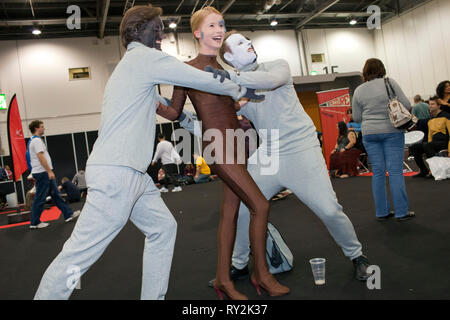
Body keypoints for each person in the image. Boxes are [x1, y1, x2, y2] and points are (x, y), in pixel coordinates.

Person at [34, 4, 254, 300]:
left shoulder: (136, 69)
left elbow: (169, 109)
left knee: (163, 228)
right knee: (77, 256)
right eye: (158, 26)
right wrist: (240, 86)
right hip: (117, 174)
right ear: (138, 31)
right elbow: (200, 78)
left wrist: (199, 127)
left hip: (134, 176)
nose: (163, 31)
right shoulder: (146, 59)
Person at [182, 30, 371, 284]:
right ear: (228, 55)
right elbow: (216, 122)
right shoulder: (236, 89)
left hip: (301, 147)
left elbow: (270, 80)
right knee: (242, 207)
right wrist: (182, 117)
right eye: (240, 42)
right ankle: (238, 265)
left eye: (248, 39)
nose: (249, 43)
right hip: (269, 152)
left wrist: (232, 77)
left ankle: (357, 256)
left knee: (329, 210)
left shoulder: (276, 66)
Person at [156, 7, 288, 300]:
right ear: (198, 33)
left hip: (237, 143)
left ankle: (222, 279)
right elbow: (175, 112)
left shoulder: (227, 71)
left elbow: (231, 105)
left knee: (230, 213)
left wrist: (241, 102)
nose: (219, 29)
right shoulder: (185, 69)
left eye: (222, 24)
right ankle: (261, 274)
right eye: (212, 25)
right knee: (261, 206)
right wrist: (150, 98)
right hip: (217, 146)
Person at [352, 58, 414, 221]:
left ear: (364, 72)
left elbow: (357, 117)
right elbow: (406, 104)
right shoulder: (389, 83)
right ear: (382, 69)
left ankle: (382, 211)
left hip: (369, 134)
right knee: (395, 171)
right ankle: (401, 212)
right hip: (391, 130)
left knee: (378, 172)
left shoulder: (359, 90)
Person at [27, 120, 80, 229]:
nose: (44, 128)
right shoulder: (36, 141)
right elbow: (41, 157)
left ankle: (68, 214)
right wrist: (49, 171)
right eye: (42, 126)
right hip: (43, 173)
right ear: (37, 128)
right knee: (40, 198)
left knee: (55, 194)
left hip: (42, 172)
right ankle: (35, 222)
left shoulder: (33, 140)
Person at [410, 96, 450, 178]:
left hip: (445, 142)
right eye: (429, 104)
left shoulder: (447, 116)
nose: (430, 106)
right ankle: (423, 170)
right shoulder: (430, 120)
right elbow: (430, 136)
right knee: (414, 147)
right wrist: (426, 146)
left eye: (433, 104)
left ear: (439, 106)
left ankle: (434, 170)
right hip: (434, 143)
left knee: (427, 145)